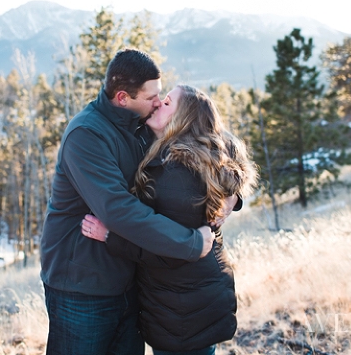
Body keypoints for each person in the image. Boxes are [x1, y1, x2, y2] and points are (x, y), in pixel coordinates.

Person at [40, 49, 218, 355]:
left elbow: (207, 144)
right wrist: (190, 243)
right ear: (123, 98)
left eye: (161, 96)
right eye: (152, 97)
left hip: (131, 278)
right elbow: (117, 210)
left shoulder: (145, 124)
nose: (159, 102)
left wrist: (231, 196)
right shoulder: (86, 136)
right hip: (83, 284)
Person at [81, 85, 258, 355]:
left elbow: (169, 250)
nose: (156, 105)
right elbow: (222, 140)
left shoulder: (178, 175)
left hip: (183, 311)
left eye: (166, 103)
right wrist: (233, 197)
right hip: (184, 302)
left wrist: (110, 236)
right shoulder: (168, 151)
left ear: (181, 120)